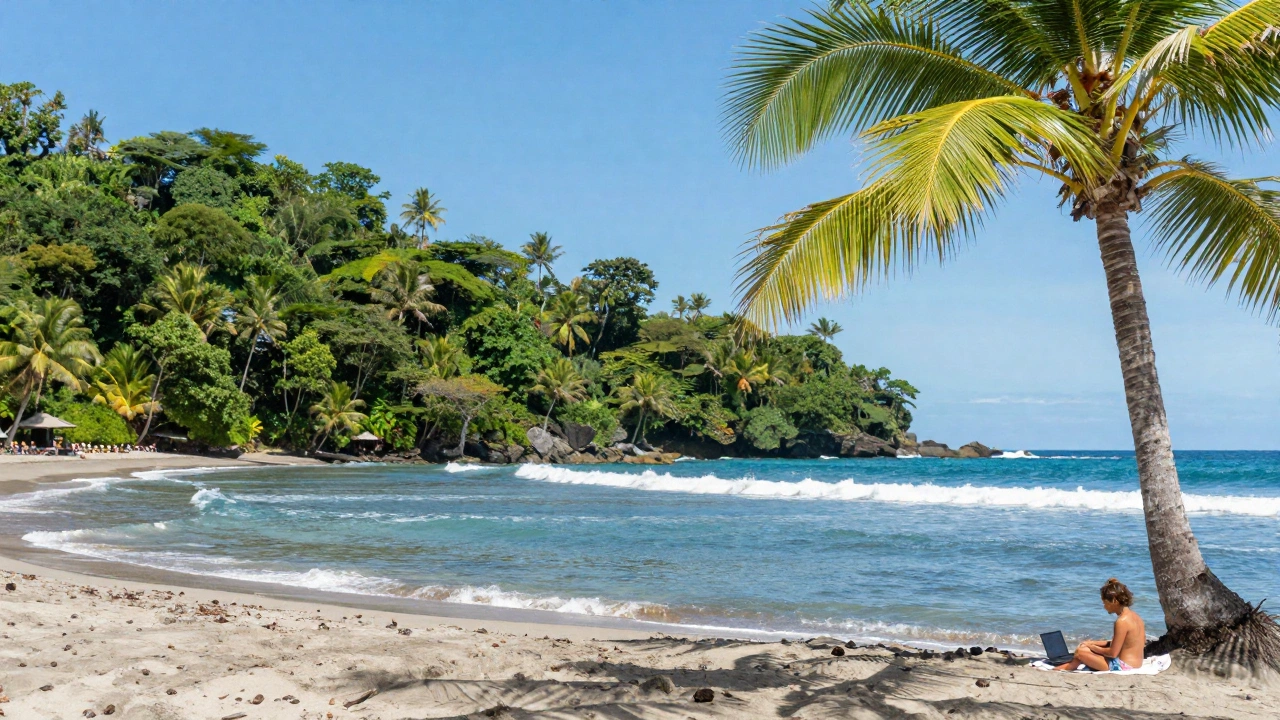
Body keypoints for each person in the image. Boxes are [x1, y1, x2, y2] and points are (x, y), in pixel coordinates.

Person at [1055, 578, 1145, 671]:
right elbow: (1125, 642)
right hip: (1136, 664)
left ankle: (1065, 668)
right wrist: (1092, 643)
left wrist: (1092, 647)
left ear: (1114, 601)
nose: (1104, 606)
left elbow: (1112, 653)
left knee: (1080, 652)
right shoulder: (1136, 617)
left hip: (1122, 666)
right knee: (1084, 648)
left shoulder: (1121, 621)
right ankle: (1066, 667)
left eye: (1105, 603)